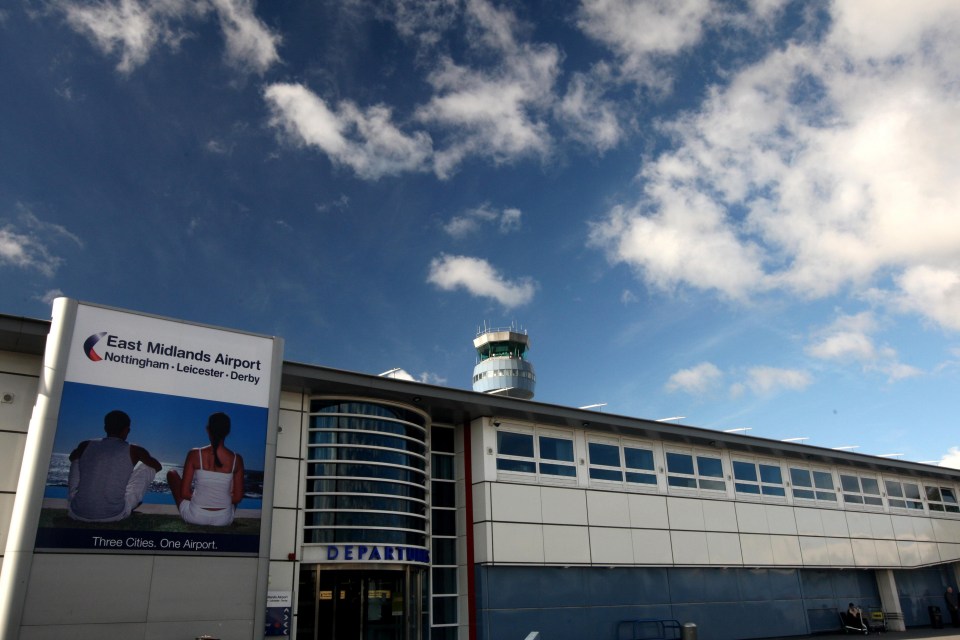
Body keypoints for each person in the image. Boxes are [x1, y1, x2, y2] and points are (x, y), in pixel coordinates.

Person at [68, 409, 162, 522]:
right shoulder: (135, 450)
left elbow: (71, 458)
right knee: (148, 466)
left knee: (77, 459)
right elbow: (157, 466)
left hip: (77, 512)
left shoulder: (86, 444)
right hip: (114, 515)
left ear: (105, 428)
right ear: (127, 430)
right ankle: (129, 502)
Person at [167, 412, 244, 526]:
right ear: (227, 432)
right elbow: (237, 498)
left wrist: (203, 498)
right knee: (232, 484)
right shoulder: (236, 459)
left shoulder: (194, 454)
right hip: (223, 519)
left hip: (195, 516)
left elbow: (184, 493)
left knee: (171, 473)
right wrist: (218, 500)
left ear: (208, 430)